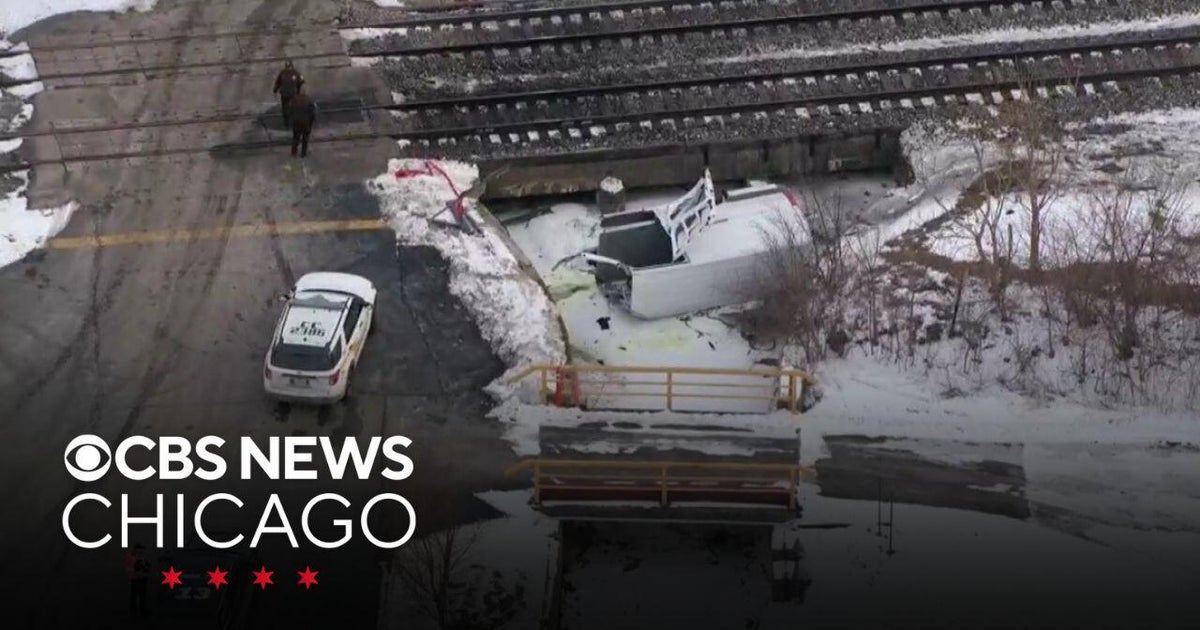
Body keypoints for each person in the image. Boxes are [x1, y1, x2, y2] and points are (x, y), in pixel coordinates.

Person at [273, 60, 304, 128]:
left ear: (286, 66)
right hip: (293, 93)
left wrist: (275, 91)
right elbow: (302, 80)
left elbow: (277, 83)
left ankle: (286, 122)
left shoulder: (282, 73)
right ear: (291, 65)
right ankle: (295, 120)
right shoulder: (296, 73)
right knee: (296, 106)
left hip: (284, 93)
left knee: (284, 107)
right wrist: (298, 89)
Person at [289, 85, 317, 158]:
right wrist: (312, 121)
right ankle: (303, 153)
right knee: (305, 139)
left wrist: (292, 119)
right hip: (306, 123)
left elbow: (290, 110)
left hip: (296, 122)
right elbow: (312, 112)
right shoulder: (309, 100)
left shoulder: (294, 100)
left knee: (295, 138)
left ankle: (294, 152)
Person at [125, 543, 149, 617]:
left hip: (138, 578)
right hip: (137, 579)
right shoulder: (134, 558)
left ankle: (136, 610)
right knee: (138, 595)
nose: (141, 553)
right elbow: (131, 568)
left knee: (137, 595)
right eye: (140, 551)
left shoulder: (134, 557)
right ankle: (138, 611)